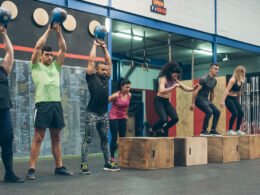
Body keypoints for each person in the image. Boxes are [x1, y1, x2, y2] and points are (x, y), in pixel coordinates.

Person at [27, 24, 73, 180]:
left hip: (56, 105)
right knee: (38, 137)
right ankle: (32, 169)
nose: (49, 57)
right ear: (41, 56)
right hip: (42, 105)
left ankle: (59, 166)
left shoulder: (55, 67)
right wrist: (48, 30)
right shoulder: (35, 66)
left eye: (50, 55)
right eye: (46, 55)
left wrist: (59, 34)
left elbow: (63, 50)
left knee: (56, 138)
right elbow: (37, 46)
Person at [81, 40, 120, 174]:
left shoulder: (106, 78)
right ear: (96, 70)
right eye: (102, 69)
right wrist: (94, 45)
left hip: (103, 114)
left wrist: (104, 47)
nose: (105, 71)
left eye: (105, 70)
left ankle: (107, 162)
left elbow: (109, 62)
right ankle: (84, 164)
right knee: (88, 139)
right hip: (92, 113)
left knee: (105, 139)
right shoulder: (91, 77)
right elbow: (91, 61)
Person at [0, 26, 24, 183]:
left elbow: (10, 53)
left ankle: (9, 173)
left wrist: (4, 34)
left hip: (3, 111)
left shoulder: (3, 69)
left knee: (7, 139)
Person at [152, 62, 198, 136]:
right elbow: (161, 90)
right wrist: (173, 87)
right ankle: (153, 129)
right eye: (175, 75)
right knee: (164, 119)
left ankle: (163, 130)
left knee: (175, 118)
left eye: (177, 76)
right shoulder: (163, 79)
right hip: (159, 100)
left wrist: (193, 88)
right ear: (170, 73)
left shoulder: (175, 81)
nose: (176, 77)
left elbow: (185, 88)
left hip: (166, 101)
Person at [190, 63, 221, 136]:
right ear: (210, 69)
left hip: (206, 100)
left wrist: (211, 103)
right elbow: (196, 91)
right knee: (209, 111)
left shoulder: (214, 81)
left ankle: (213, 130)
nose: (217, 71)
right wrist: (193, 103)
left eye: (218, 69)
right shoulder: (204, 79)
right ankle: (204, 131)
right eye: (215, 69)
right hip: (199, 99)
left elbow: (212, 92)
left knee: (217, 112)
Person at [108, 78, 131, 163]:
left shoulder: (129, 95)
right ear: (121, 86)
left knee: (122, 137)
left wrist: (126, 115)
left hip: (122, 117)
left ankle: (122, 156)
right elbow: (106, 101)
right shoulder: (116, 95)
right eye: (126, 87)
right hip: (113, 117)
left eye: (129, 87)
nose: (128, 89)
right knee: (114, 137)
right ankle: (112, 157)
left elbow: (127, 106)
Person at [220, 66, 246, 135]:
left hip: (235, 99)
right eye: (244, 72)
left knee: (241, 112)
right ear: (239, 72)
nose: (244, 73)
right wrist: (223, 101)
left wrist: (239, 101)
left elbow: (239, 92)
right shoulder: (232, 80)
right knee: (235, 113)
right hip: (228, 99)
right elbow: (227, 90)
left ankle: (237, 130)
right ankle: (229, 130)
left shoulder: (241, 81)